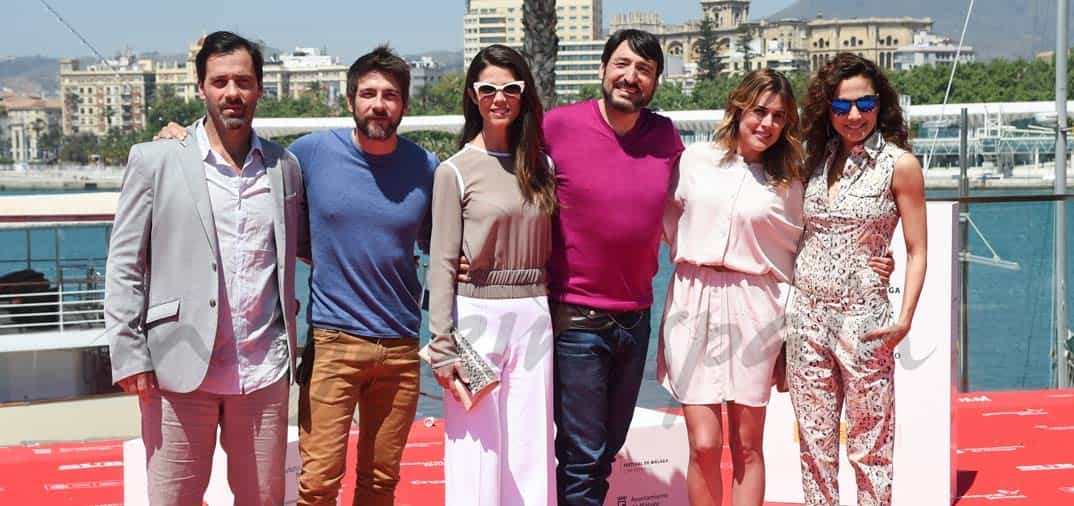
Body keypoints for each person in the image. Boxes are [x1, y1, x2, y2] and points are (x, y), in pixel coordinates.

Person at [154, 45, 438, 506]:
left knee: (382, 481)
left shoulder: (425, 168)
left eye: (390, 95)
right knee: (319, 482)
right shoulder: (309, 154)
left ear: (405, 104)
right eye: (368, 94)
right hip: (334, 344)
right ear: (350, 100)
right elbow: (236, 148)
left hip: (402, 346)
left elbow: (440, 245)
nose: (378, 105)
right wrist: (180, 137)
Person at [105, 30, 304, 505]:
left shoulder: (285, 167)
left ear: (260, 89)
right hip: (176, 369)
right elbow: (124, 264)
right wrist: (130, 353)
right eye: (220, 82)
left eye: (243, 82)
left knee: (264, 499)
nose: (232, 93)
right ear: (201, 88)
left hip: (263, 372)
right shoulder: (155, 161)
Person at [543, 29, 684, 505]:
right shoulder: (557, 126)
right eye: (622, 64)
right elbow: (506, 185)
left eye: (644, 69)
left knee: (605, 451)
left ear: (656, 82)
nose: (631, 76)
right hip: (576, 319)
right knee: (582, 456)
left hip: (636, 318)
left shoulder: (665, 136)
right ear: (603, 68)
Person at [785, 52, 927, 506]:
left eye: (865, 104)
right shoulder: (814, 160)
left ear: (880, 105)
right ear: (826, 109)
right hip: (806, 320)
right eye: (842, 106)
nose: (854, 116)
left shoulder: (900, 165)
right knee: (814, 446)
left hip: (865, 323)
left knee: (871, 447)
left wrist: (904, 319)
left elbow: (918, 249)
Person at [658, 69, 805, 506]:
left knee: (747, 444)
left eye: (779, 116)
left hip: (756, 305)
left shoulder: (790, 181)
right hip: (693, 298)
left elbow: (808, 244)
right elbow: (661, 219)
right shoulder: (695, 161)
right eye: (759, 111)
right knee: (703, 443)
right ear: (738, 109)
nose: (767, 123)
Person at [421, 43, 558, 506]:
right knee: (475, 450)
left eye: (510, 88)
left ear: (524, 94)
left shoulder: (542, 166)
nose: (500, 98)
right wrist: (441, 346)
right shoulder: (454, 172)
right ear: (473, 96)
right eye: (488, 89)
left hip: (535, 314)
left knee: (531, 447)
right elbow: (442, 263)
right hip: (476, 317)